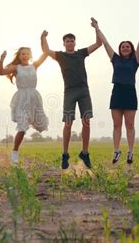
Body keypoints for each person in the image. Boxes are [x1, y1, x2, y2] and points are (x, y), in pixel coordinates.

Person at [41, 19, 102, 169]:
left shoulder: (81, 53)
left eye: (72, 41)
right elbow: (46, 51)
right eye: (67, 41)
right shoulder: (61, 56)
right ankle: (65, 154)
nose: (69, 43)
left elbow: (98, 44)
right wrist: (42, 38)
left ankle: (85, 153)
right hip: (69, 91)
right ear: (64, 44)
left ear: (75, 43)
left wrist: (96, 27)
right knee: (68, 123)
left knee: (86, 121)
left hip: (83, 90)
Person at [92, 17, 139, 164]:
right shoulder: (115, 59)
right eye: (122, 46)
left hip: (130, 93)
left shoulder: (135, 60)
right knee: (117, 125)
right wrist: (97, 28)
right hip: (117, 92)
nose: (125, 48)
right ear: (120, 49)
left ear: (131, 49)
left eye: (127, 46)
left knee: (130, 124)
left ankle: (130, 151)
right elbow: (105, 43)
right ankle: (116, 151)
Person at [0, 43, 49, 164]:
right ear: (19, 56)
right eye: (22, 54)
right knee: (22, 126)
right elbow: (1, 72)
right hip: (21, 99)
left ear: (30, 55)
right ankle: (15, 152)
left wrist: (42, 39)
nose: (25, 55)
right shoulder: (16, 67)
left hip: (34, 98)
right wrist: (1, 60)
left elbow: (46, 53)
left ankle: (34, 124)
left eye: (27, 54)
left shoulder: (34, 65)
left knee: (40, 124)